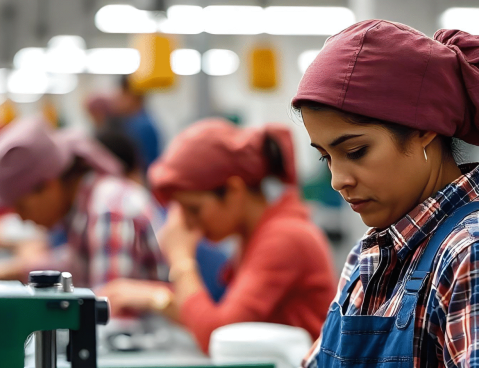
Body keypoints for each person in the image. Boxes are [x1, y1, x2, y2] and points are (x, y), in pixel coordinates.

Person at [132, 20, 479, 368]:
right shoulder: (373, 252)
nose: (338, 180)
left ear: (424, 129)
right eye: (326, 156)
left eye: (356, 151)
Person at [100, 118, 337, 353]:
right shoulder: (258, 235)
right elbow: (209, 319)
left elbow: (216, 336)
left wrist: (181, 259)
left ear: (234, 190)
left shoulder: (285, 237)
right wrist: (155, 297)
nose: (188, 224)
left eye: (194, 209)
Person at [0, 117, 164, 288]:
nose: (22, 218)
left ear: (48, 186)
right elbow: (74, 264)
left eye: (22, 206)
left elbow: (113, 318)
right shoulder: (86, 206)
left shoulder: (109, 212)